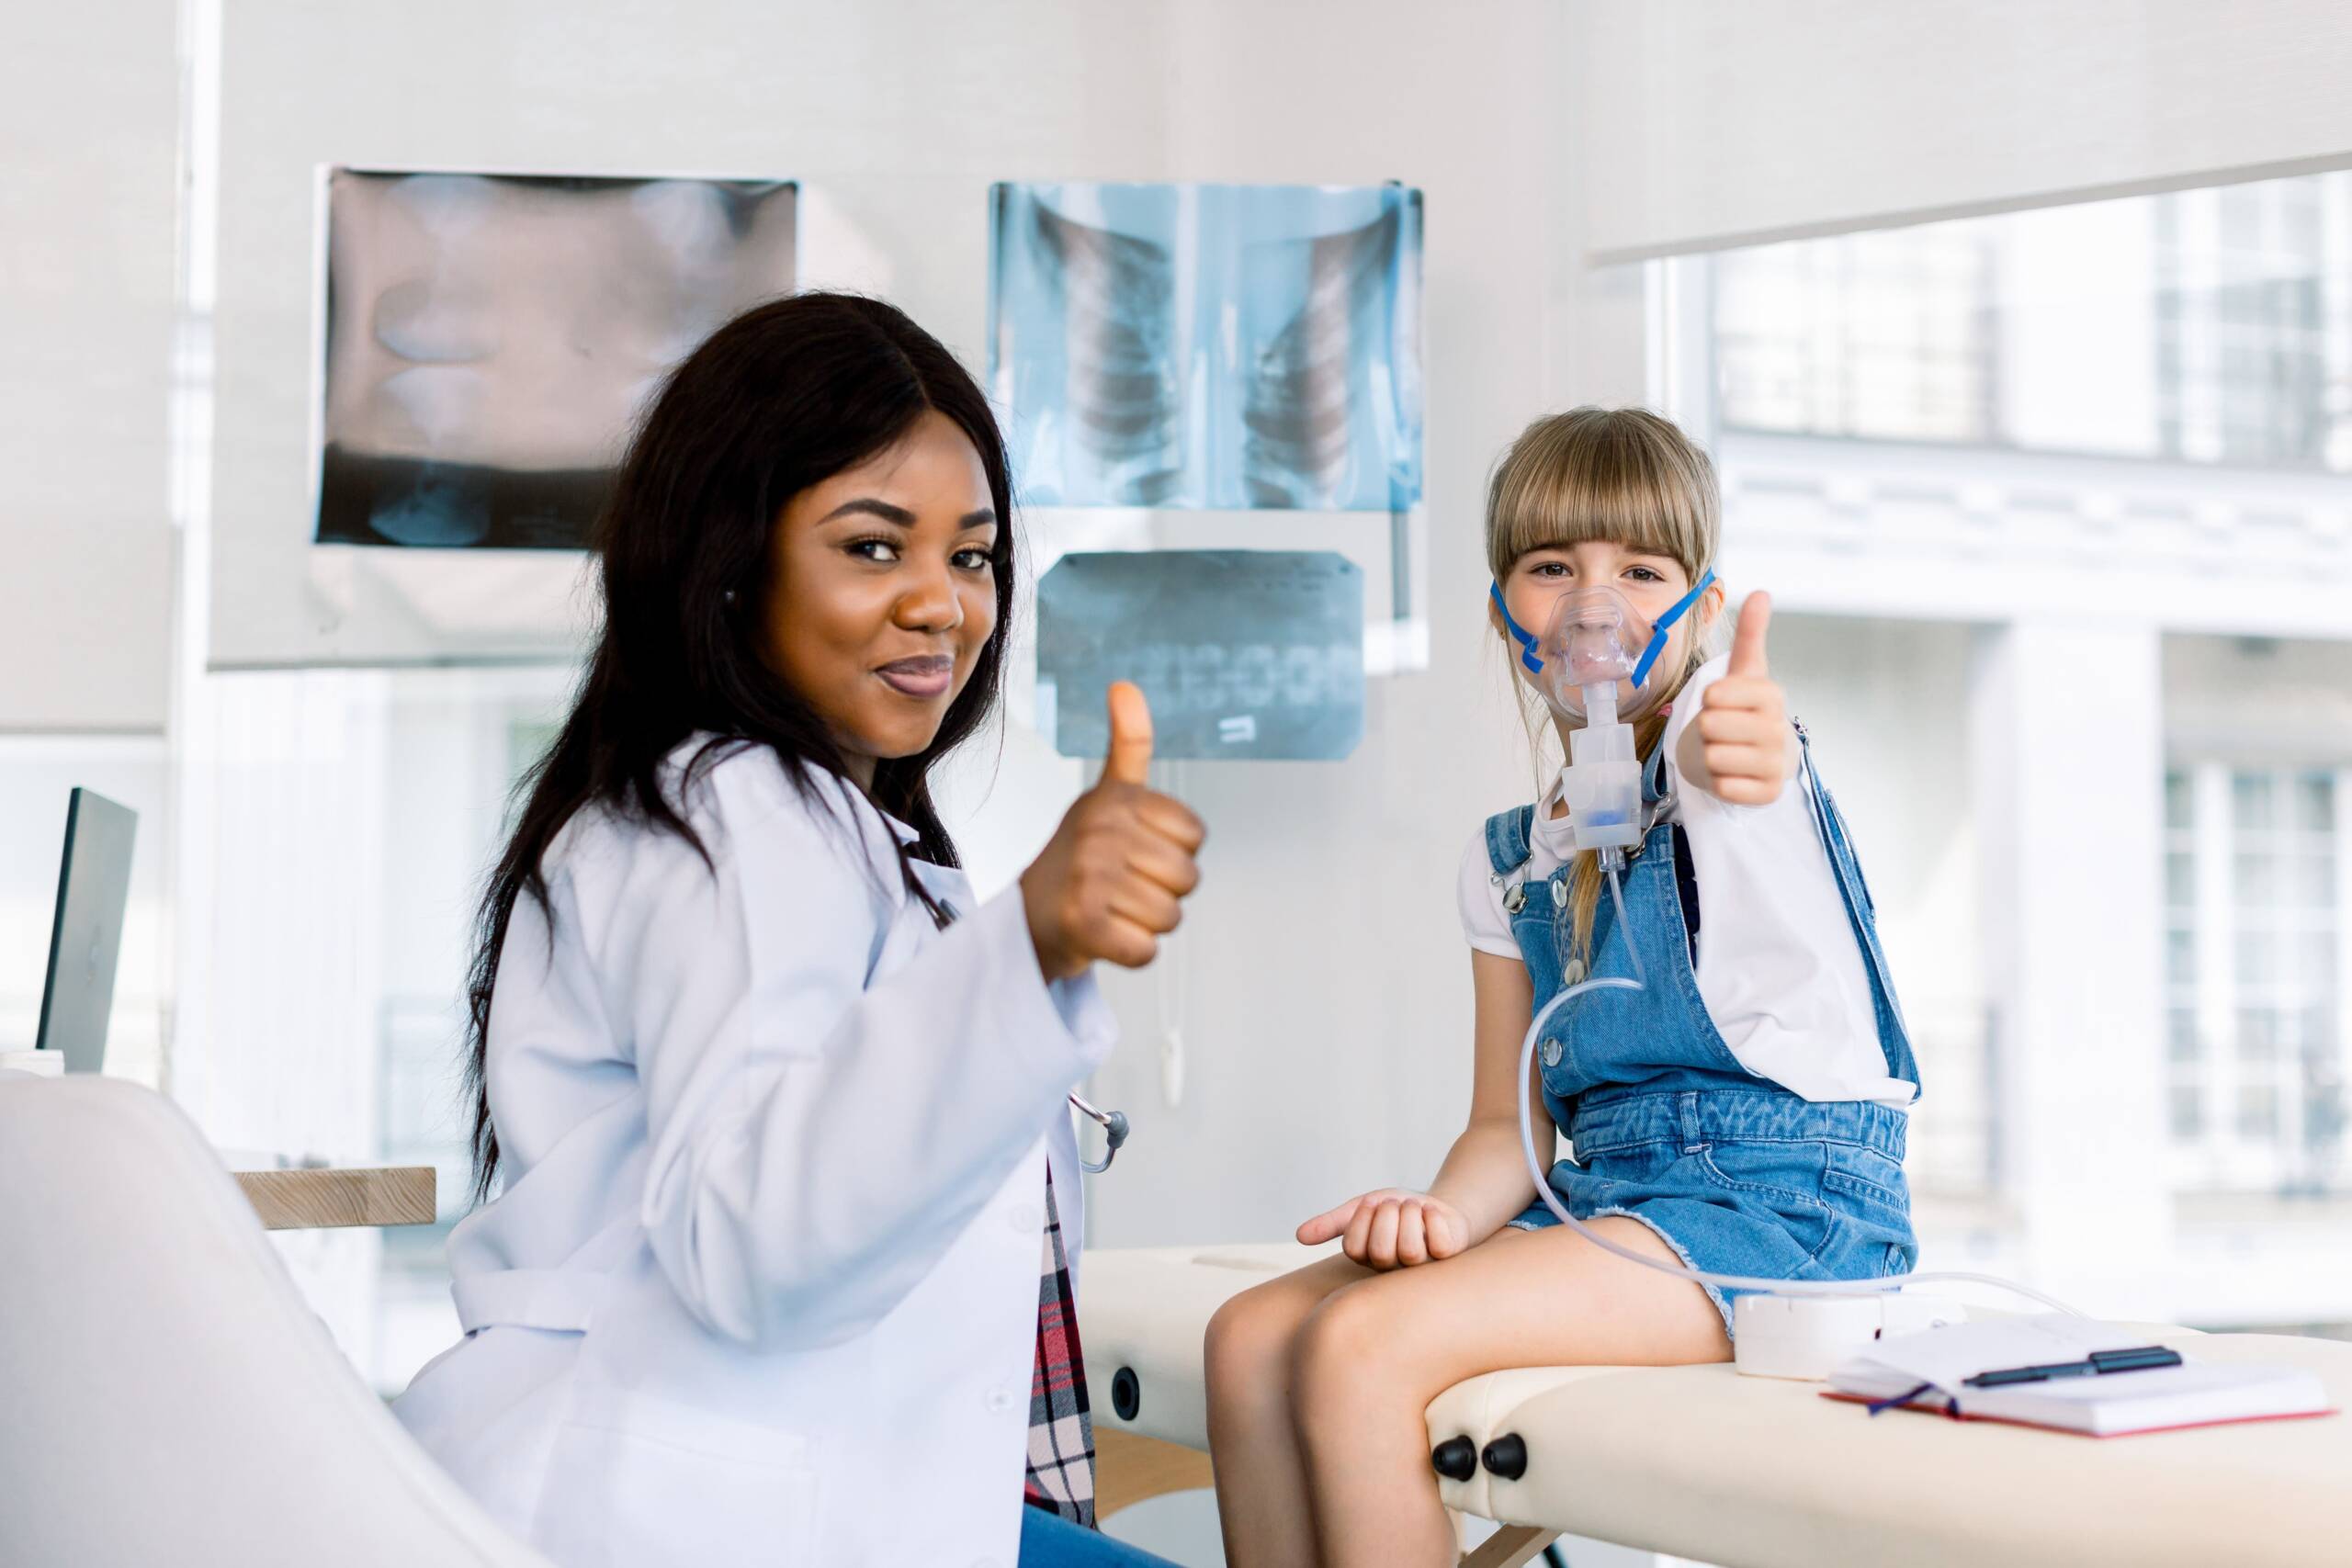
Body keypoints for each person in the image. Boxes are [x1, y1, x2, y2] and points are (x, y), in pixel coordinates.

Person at [394, 292, 1198, 1568]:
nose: (942, 603)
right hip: (699, 1506)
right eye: (873, 548)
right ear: (730, 559)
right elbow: (757, 1239)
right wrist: (1031, 941)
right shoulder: (732, 810)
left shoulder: (827, 832)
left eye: (973, 555)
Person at [1201, 407, 1921, 1567]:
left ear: (1703, 609)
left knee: (1360, 1347)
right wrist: (1440, 1217)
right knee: (1249, 1337)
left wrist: (1742, 740)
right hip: (1608, 1194)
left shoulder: (1716, 754)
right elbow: (1505, 1129)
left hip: (1783, 1210)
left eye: (1641, 569)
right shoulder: (1507, 860)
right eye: (1552, 569)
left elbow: (1730, 751)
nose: (1597, 610)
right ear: (1503, 609)